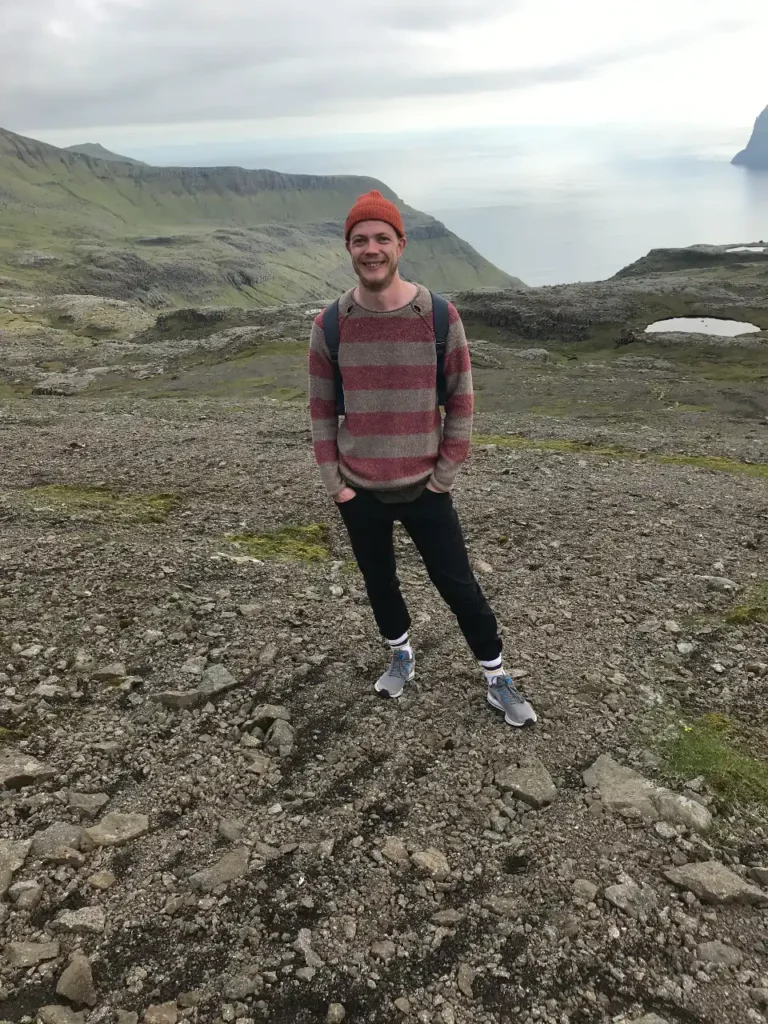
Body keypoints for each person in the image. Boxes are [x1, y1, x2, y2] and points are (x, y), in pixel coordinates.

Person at [308, 189, 536, 727]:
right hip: (358, 488)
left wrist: (445, 472)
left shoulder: (437, 315)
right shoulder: (330, 325)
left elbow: (461, 398)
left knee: (457, 583)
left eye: (381, 238)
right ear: (348, 248)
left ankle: (496, 677)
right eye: (360, 240)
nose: (371, 249)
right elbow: (320, 407)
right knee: (378, 580)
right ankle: (401, 654)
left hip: (426, 487)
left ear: (400, 244)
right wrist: (333, 480)